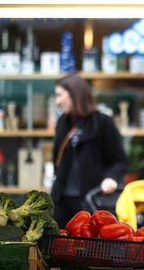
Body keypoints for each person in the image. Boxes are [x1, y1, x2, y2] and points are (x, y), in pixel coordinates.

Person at [51, 74, 128, 228]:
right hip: (61, 200)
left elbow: (120, 160)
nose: (57, 101)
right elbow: (57, 158)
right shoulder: (63, 123)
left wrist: (111, 178)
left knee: (90, 248)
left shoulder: (102, 123)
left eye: (60, 95)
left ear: (75, 94)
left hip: (92, 199)